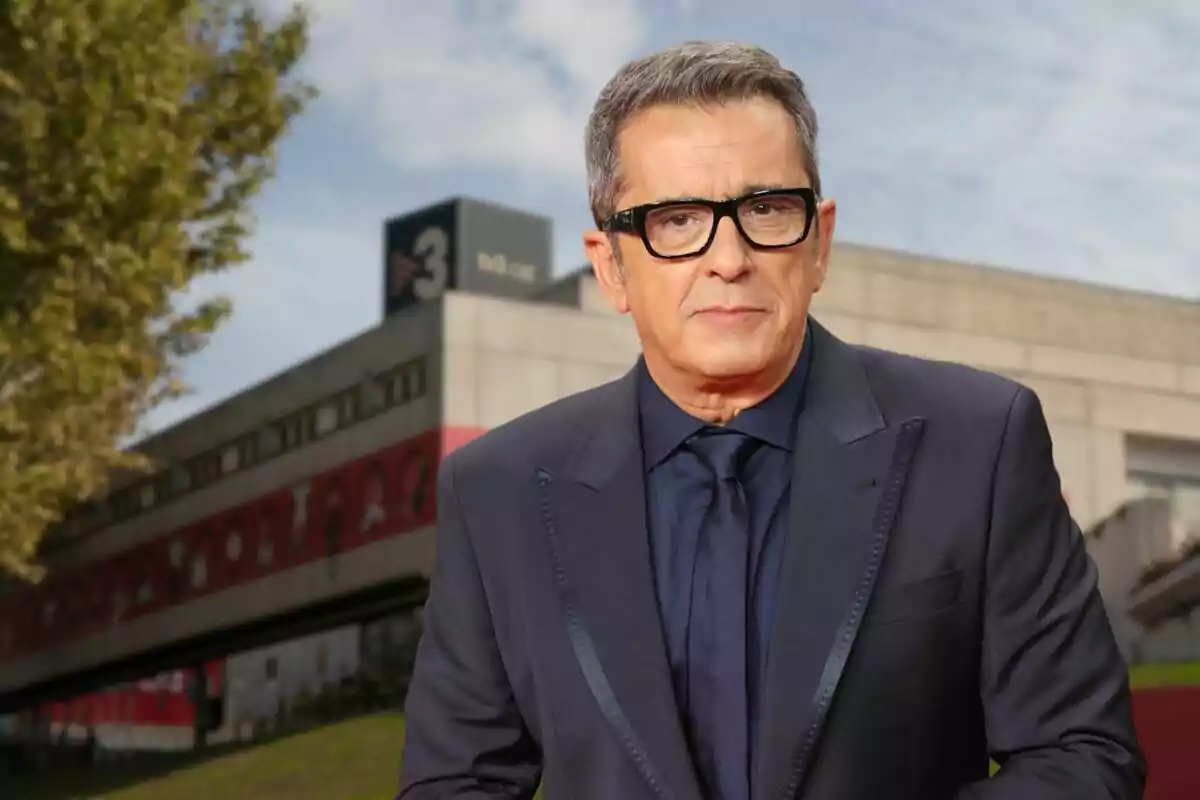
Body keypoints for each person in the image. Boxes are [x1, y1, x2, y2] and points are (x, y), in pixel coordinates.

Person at [398, 40, 1146, 800]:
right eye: (678, 219)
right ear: (611, 266)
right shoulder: (499, 490)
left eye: (765, 210)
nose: (730, 257)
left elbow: (1081, 756)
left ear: (819, 243)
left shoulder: (981, 440)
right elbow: (454, 784)